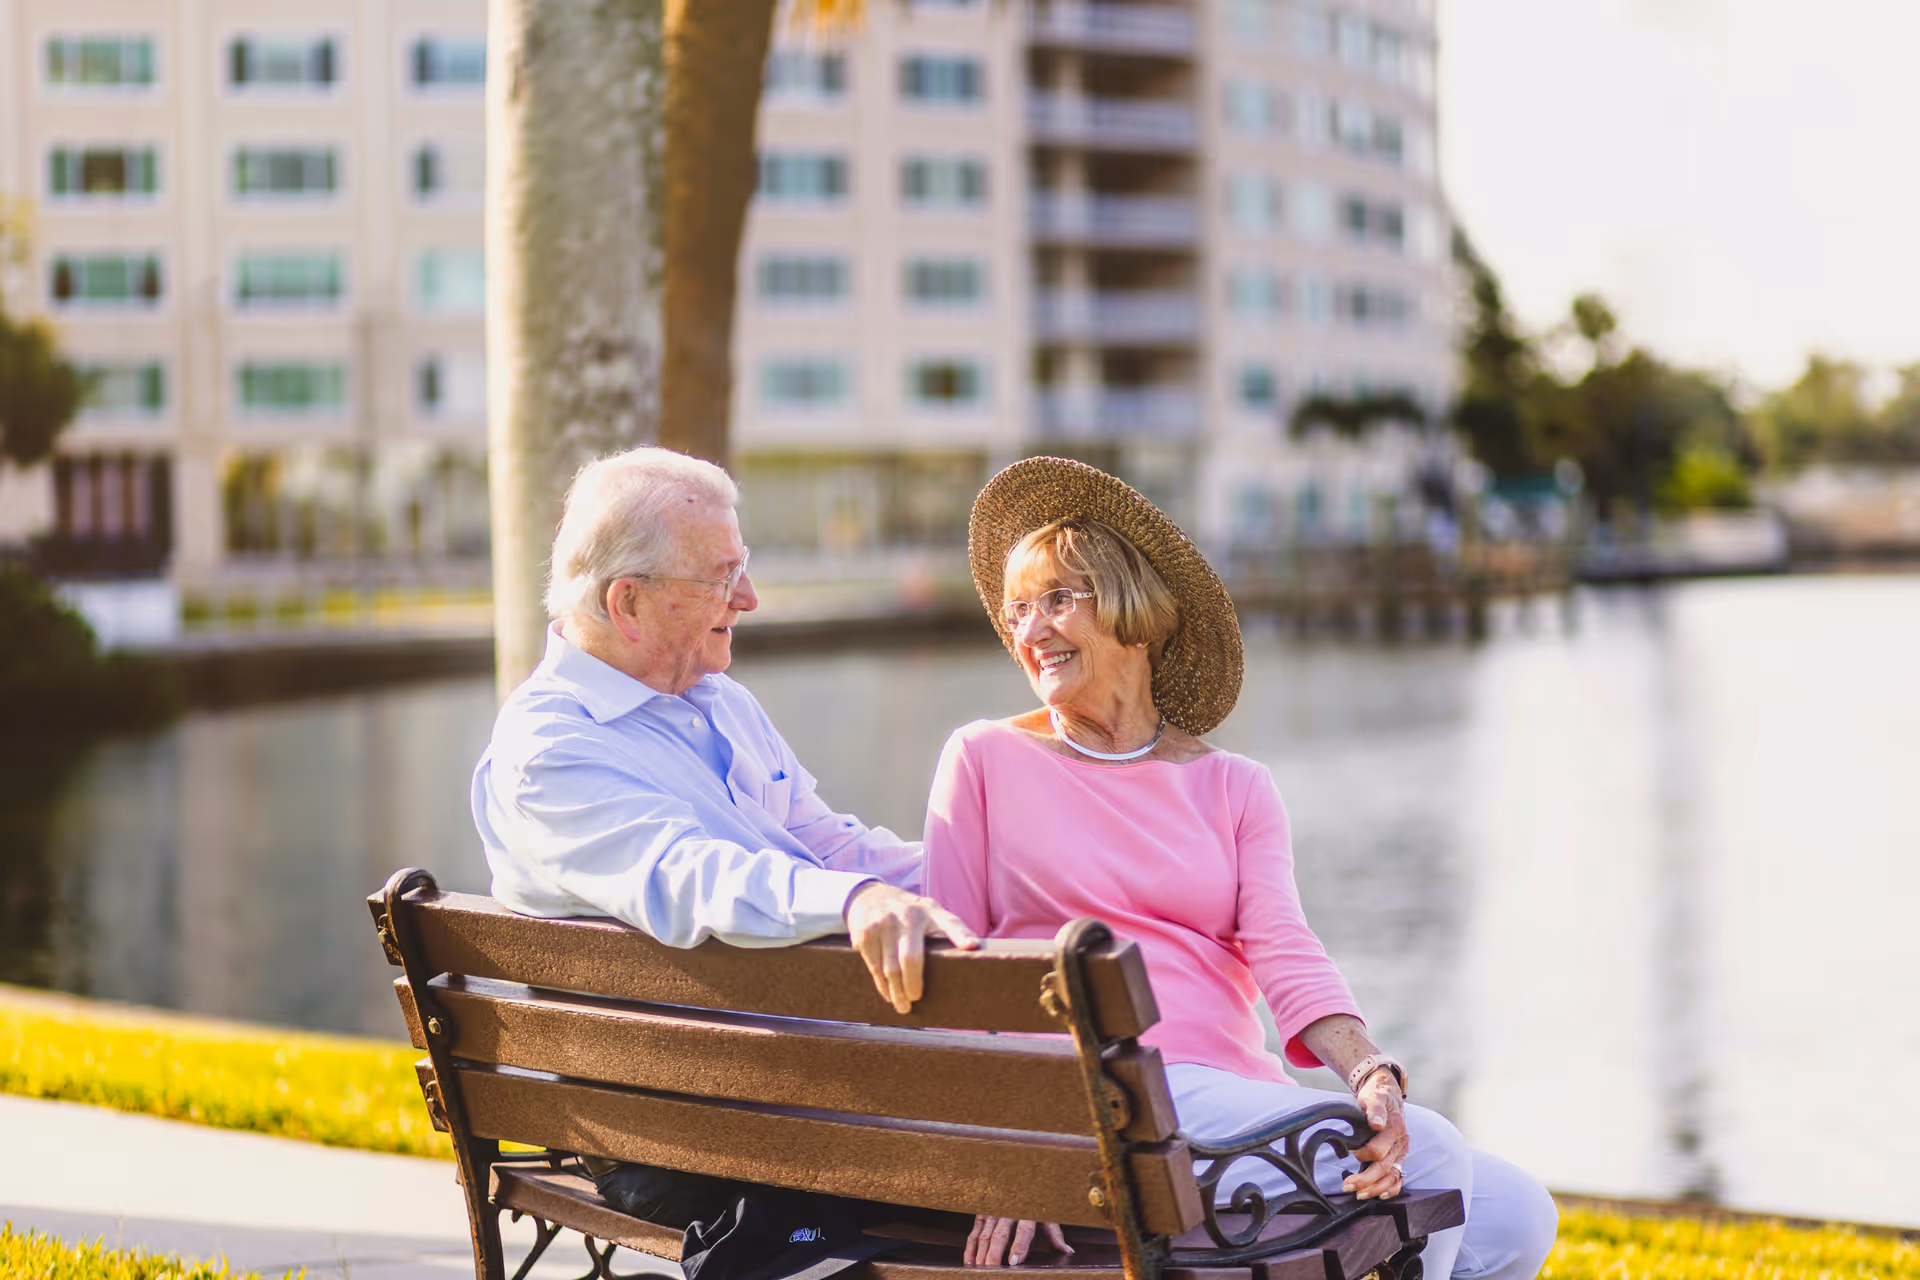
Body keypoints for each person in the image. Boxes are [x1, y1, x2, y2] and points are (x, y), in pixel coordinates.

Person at [923, 457, 1558, 1278]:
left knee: (1516, 1215)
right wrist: (1003, 1150)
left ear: (1136, 614)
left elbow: (1284, 950)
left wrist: (1367, 1071)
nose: (1030, 629)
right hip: (1092, 1106)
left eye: (1057, 600)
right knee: (1433, 1156)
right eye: (1017, 611)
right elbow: (950, 975)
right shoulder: (984, 757)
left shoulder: (1235, 785)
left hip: (1227, 1106)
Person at [471, 445, 979, 1232]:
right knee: (1064, 1160)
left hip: (807, 1096)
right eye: (719, 577)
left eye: (741, 567)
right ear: (627, 602)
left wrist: (989, 869)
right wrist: (854, 902)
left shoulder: (719, 701)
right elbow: (694, 877)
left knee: (1066, 1139)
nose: (747, 597)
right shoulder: (548, 753)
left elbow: (826, 843)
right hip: (694, 1142)